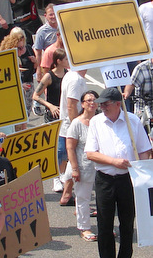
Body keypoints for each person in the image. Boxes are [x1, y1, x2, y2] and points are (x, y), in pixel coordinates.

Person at [85, 87, 152, 258]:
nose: (102, 108)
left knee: (127, 223)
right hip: (105, 180)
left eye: (106, 104)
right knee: (105, 224)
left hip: (128, 180)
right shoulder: (96, 122)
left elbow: (144, 150)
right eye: (101, 105)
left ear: (117, 104)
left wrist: (143, 173)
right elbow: (91, 153)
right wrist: (114, 162)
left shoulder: (133, 121)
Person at [65, 90, 99, 242]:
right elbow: (70, 147)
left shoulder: (101, 121)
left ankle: (104, 227)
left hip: (102, 167)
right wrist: (74, 169)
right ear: (83, 104)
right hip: (84, 166)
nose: (92, 103)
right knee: (83, 198)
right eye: (88, 100)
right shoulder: (76, 123)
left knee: (104, 199)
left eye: (94, 100)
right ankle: (84, 228)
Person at [57, 69, 88, 199]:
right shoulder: (76, 79)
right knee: (76, 160)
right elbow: (71, 106)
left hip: (68, 126)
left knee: (72, 160)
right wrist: (77, 127)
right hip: (71, 127)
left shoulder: (71, 75)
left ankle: (67, 194)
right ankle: (68, 194)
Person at [0, 26, 37, 129]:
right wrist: (20, 85)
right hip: (13, 95)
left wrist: (35, 61)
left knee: (25, 118)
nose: (22, 50)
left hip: (27, 86)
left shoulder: (25, 50)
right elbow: (5, 80)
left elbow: (35, 68)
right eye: (19, 48)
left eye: (22, 47)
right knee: (17, 123)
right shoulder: (7, 58)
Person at [33, 48, 69, 123]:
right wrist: (50, 106)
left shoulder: (67, 74)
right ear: (59, 61)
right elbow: (35, 96)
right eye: (66, 59)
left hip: (65, 113)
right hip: (52, 115)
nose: (68, 61)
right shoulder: (49, 76)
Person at [33, 3, 58, 81]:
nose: (53, 17)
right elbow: (38, 52)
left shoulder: (63, 27)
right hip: (49, 65)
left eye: (55, 14)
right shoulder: (42, 31)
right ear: (45, 16)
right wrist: (38, 70)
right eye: (50, 15)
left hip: (62, 63)